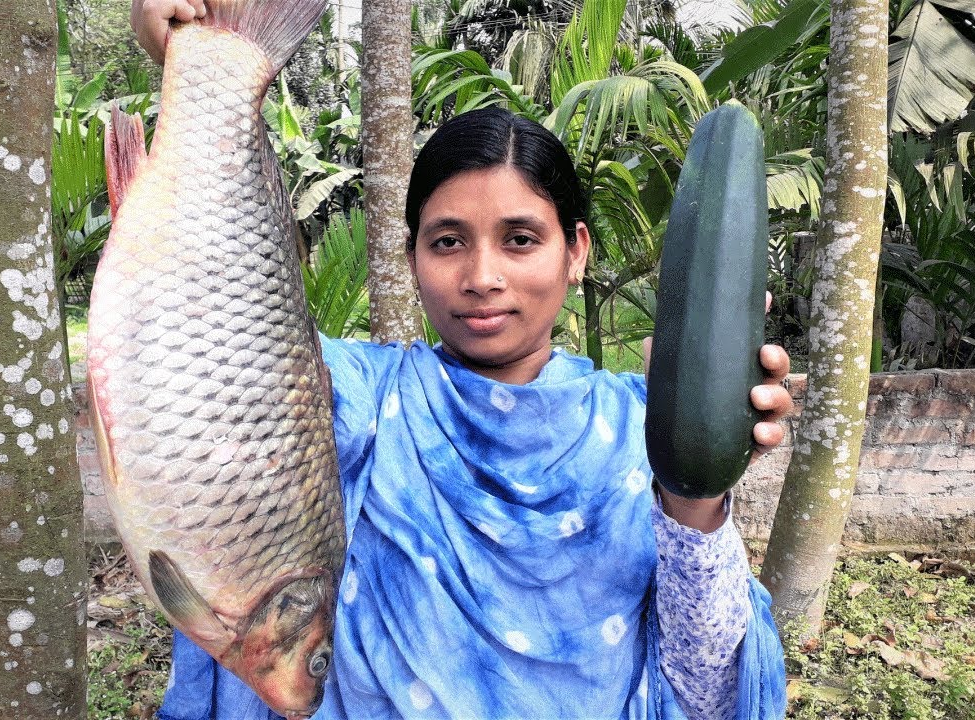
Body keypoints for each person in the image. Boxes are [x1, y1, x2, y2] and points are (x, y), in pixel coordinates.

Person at [132, 2, 793, 718]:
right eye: (447, 241)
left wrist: (694, 492)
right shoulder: (360, 400)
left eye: (519, 239)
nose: (482, 276)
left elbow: (706, 689)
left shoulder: (639, 431)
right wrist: (185, 61)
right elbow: (213, 344)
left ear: (575, 251)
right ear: (411, 257)